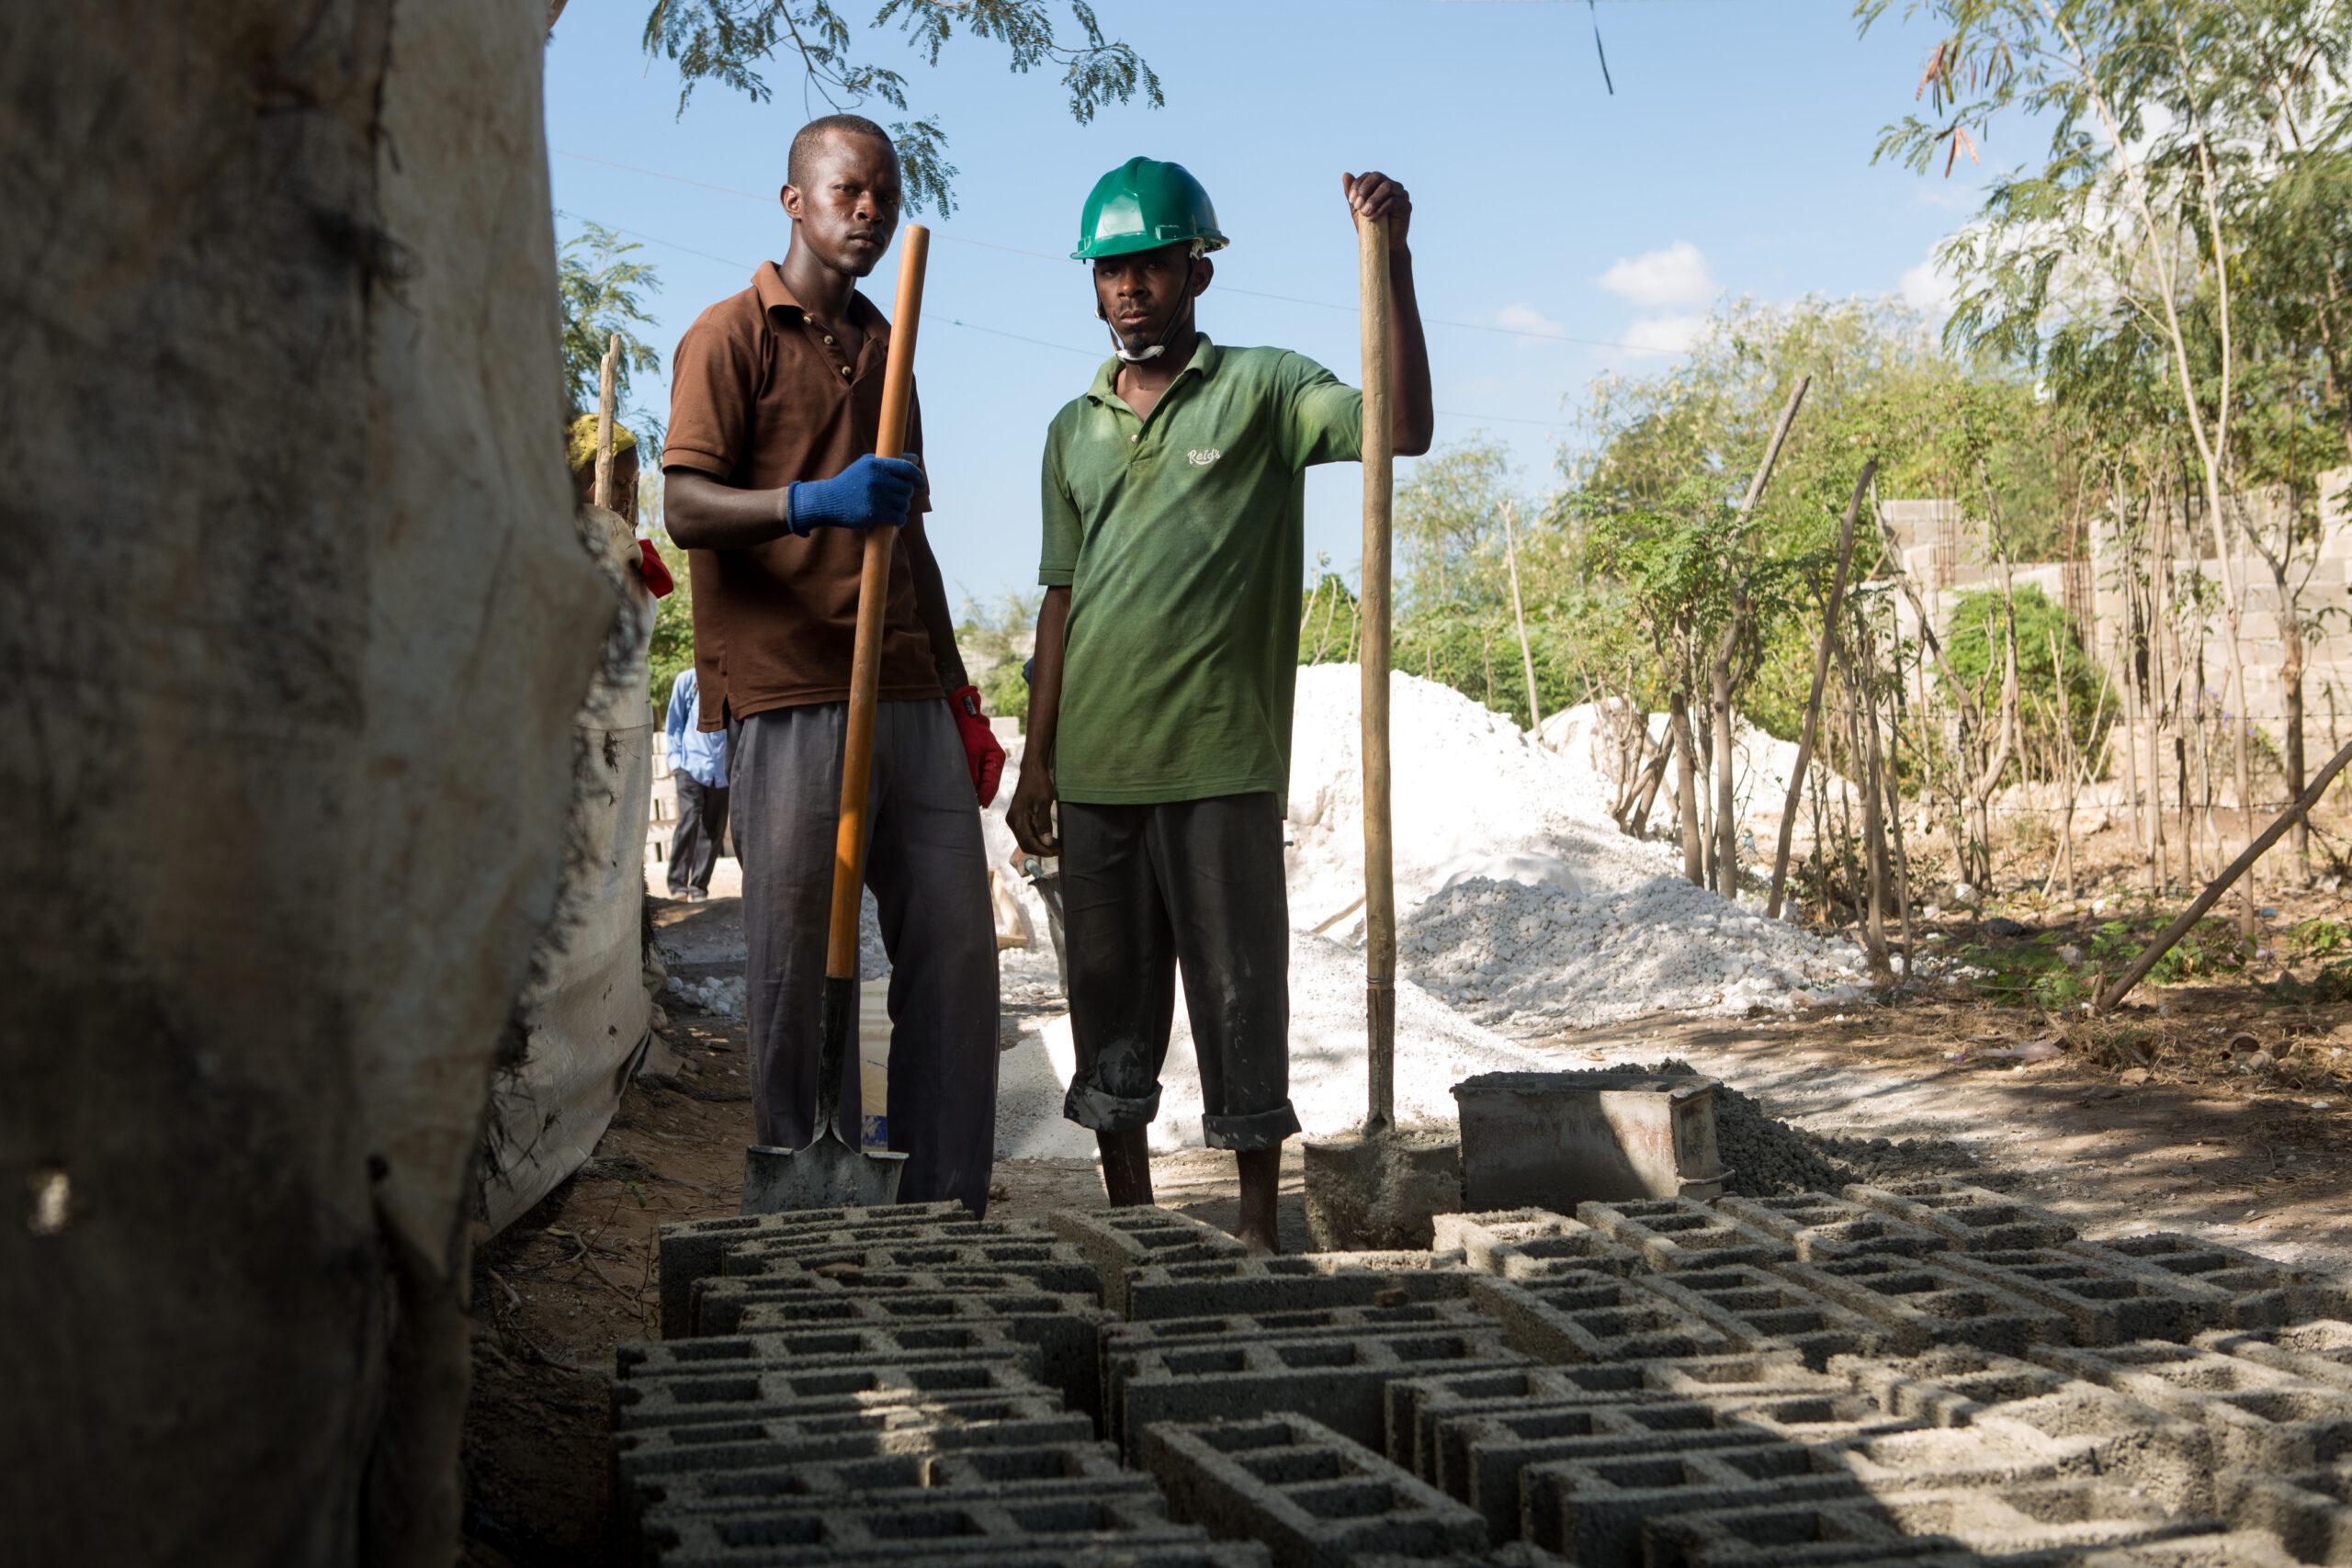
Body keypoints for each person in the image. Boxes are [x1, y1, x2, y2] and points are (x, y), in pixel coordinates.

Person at [1007, 158, 1432, 1252]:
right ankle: (1133, 1219)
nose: (1129, 288)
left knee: (1242, 996)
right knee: (1108, 1006)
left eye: (1150, 264)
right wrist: (1034, 763)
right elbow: (1060, 600)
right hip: (1096, 768)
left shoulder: (1266, 388)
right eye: (1110, 270)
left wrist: (1392, 261)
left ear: (1197, 270)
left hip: (1222, 762)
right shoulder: (1071, 428)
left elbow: (1399, 423)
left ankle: (1255, 1224)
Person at [662, 113, 1007, 1215]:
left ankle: (946, 1206)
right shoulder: (729, 335)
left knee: (954, 958)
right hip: (791, 689)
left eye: (885, 196)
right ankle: (808, 1190)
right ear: (795, 201)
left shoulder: (888, 344)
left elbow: (914, 536)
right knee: (797, 965)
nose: (869, 211)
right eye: (848, 191)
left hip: (905, 686)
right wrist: (813, 502)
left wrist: (960, 695)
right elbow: (683, 508)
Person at [662, 667, 729, 901]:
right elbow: (674, 722)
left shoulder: (734, 681)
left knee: (714, 829)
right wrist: (675, 761)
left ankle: (699, 886)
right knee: (690, 818)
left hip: (722, 770)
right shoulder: (687, 681)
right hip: (691, 764)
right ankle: (677, 884)